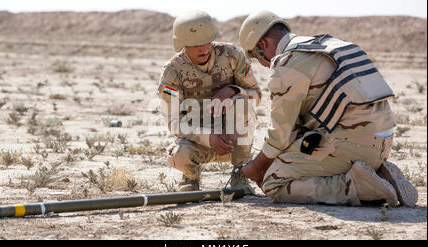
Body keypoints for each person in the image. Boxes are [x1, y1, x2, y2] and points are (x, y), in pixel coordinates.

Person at [237, 10, 418, 207]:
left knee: (274, 182)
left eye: (256, 57)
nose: (262, 64)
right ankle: (374, 171)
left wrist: (257, 166)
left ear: (262, 44)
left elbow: (280, 135)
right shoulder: (328, 44)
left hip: (352, 145)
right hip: (384, 143)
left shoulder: (287, 63)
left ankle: (360, 187)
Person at [158, 10, 262, 192]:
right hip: (199, 142)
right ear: (182, 44)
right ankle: (190, 178)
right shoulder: (172, 72)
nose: (205, 49)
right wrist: (208, 137)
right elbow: (173, 123)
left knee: (242, 103)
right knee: (177, 155)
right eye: (197, 45)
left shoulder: (232, 55)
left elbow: (256, 96)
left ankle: (240, 174)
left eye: (208, 42)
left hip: (233, 140)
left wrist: (232, 90)